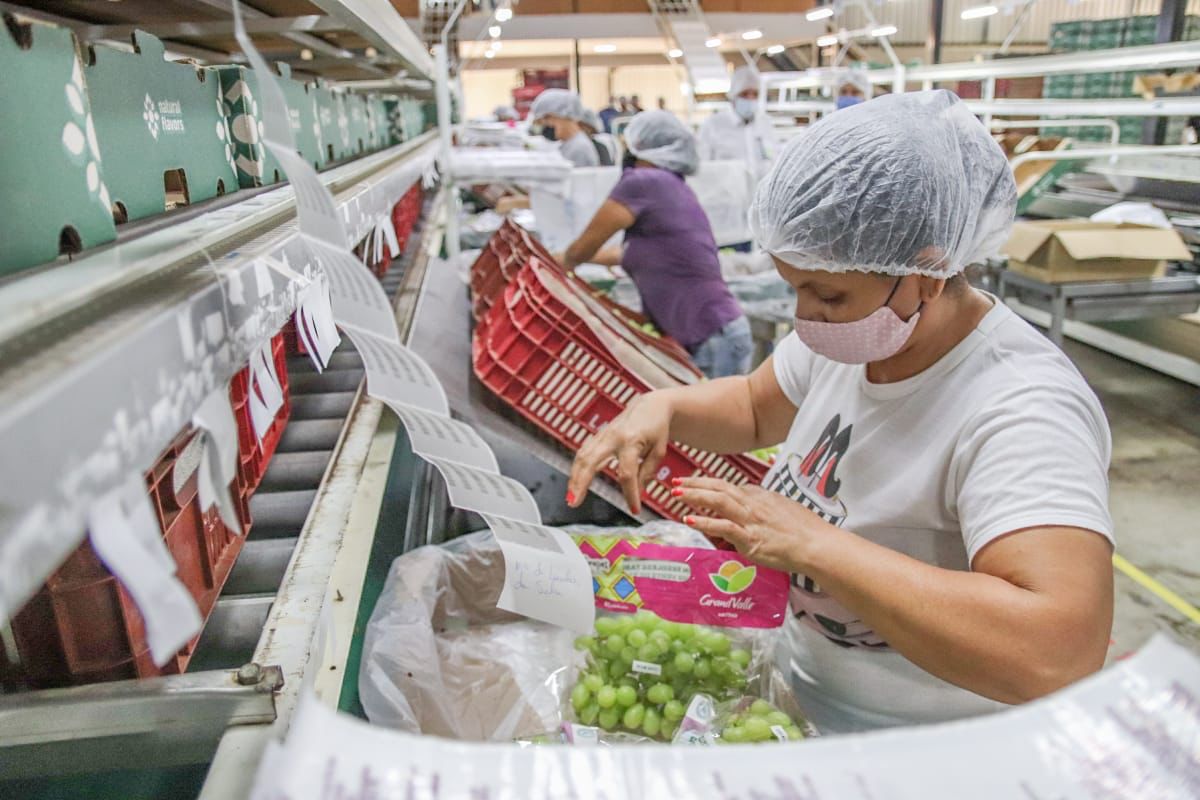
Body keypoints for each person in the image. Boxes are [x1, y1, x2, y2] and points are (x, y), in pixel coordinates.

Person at [566, 91, 1115, 734]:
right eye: (795, 288)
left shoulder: (1021, 408)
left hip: (925, 743)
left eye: (827, 294)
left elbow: (1056, 650)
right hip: (805, 702)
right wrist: (661, 406)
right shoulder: (859, 337)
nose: (806, 316)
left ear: (929, 272)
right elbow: (753, 407)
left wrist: (813, 544)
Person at [562, 111, 752, 378]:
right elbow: (636, 253)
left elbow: (583, 248)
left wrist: (555, 264)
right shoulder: (671, 185)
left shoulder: (642, 183)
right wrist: (564, 256)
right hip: (718, 334)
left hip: (712, 339)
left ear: (640, 145)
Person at [697, 65, 779, 179]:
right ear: (733, 96)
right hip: (727, 190)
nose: (750, 99)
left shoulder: (765, 123)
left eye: (755, 94)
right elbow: (702, 166)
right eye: (744, 94)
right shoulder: (713, 125)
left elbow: (774, 159)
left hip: (761, 188)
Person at [528, 88, 600, 167]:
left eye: (548, 118)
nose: (546, 124)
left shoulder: (579, 148)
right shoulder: (569, 144)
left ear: (564, 116)